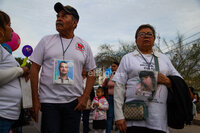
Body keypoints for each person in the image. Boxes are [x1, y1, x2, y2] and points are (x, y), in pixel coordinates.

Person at [29, 2, 96, 133]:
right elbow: (34, 69)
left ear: (75, 23)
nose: (59, 19)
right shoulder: (46, 41)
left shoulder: (84, 45)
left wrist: (85, 97)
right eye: (58, 16)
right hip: (48, 102)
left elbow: (91, 72)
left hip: (73, 103)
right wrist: (35, 99)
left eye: (64, 16)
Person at [112, 24, 182, 133]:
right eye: (142, 34)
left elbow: (179, 81)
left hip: (159, 121)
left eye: (150, 34)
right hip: (133, 117)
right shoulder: (127, 58)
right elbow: (119, 86)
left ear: (154, 39)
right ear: (136, 40)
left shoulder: (164, 59)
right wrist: (118, 116)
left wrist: (168, 81)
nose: (146, 36)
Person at [0, 10, 29, 133]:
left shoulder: (2, 50)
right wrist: (20, 70)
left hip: (8, 116)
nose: (12, 30)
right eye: (9, 25)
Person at [102, 62, 119, 133]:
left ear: (118, 67)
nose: (112, 68)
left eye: (114, 66)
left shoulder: (121, 74)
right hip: (110, 97)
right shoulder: (110, 75)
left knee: (119, 116)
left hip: (119, 98)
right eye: (111, 66)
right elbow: (106, 85)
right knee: (110, 116)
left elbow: (113, 84)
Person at [81, 69, 95, 133]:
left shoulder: (88, 80)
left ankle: (85, 129)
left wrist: (93, 101)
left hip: (87, 99)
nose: (83, 71)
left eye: (85, 69)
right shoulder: (78, 79)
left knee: (85, 116)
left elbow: (92, 92)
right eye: (82, 69)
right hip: (77, 99)